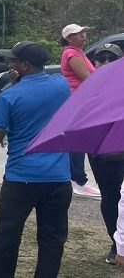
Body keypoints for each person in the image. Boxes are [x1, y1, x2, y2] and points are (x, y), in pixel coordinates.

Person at [0, 41, 72, 277]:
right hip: (59, 177)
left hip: (21, 177)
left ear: (24, 65)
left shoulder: (9, 95)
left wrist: (3, 96)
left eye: (14, 61)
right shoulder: (61, 85)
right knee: (52, 239)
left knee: (7, 237)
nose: (10, 64)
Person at [87, 43, 124, 264]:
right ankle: (116, 242)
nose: (107, 63)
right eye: (102, 59)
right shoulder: (89, 88)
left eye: (112, 58)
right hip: (101, 153)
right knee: (111, 198)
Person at [60, 23, 102, 199]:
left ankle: (75, 179)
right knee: (78, 141)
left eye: (84, 32)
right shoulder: (71, 53)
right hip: (77, 101)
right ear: (69, 38)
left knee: (78, 140)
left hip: (80, 101)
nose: (83, 36)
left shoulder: (79, 53)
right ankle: (79, 181)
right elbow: (87, 79)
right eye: (78, 34)